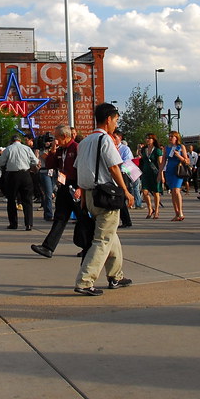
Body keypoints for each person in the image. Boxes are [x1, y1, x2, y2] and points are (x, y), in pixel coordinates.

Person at [74, 103, 134, 295]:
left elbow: (80, 170)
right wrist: (126, 191)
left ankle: (115, 275)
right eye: (115, 120)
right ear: (108, 119)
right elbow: (115, 167)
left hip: (91, 195)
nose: (116, 124)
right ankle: (85, 281)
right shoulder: (105, 140)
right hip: (105, 195)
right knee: (102, 239)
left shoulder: (84, 142)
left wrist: (83, 194)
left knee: (110, 234)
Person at [30, 124, 86, 257]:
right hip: (64, 185)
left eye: (57, 138)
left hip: (76, 185)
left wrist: (80, 188)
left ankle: (88, 246)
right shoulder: (61, 150)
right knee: (60, 217)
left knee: (82, 218)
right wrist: (53, 151)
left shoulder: (76, 148)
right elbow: (50, 165)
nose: (55, 140)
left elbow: (83, 169)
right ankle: (48, 247)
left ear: (64, 136)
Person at [0, 134, 39, 230]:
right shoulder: (27, 148)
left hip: (12, 175)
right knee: (27, 200)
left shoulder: (8, 149)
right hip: (25, 174)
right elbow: (35, 161)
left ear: (11, 141)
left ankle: (13, 223)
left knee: (11, 200)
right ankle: (28, 224)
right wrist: (29, 164)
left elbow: (1, 162)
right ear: (20, 140)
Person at [159, 130, 189, 221]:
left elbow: (186, 161)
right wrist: (160, 172)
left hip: (178, 170)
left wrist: (178, 156)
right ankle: (176, 213)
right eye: (169, 136)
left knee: (176, 190)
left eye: (172, 136)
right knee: (173, 191)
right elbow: (163, 160)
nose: (170, 138)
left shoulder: (180, 147)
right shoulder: (166, 148)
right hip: (169, 170)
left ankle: (180, 212)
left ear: (176, 138)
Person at [139, 134, 163, 219]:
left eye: (149, 138)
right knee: (145, 191)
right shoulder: (144, 149)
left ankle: (156, 211)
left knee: (156, 192)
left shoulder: (157, 150)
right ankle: (150, 209)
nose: (147, 140)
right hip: (145, 173)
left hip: (155, 172)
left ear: (153, 140)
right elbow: (142, 160)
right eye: (146, 138)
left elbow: (160, 163)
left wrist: (161, 175)